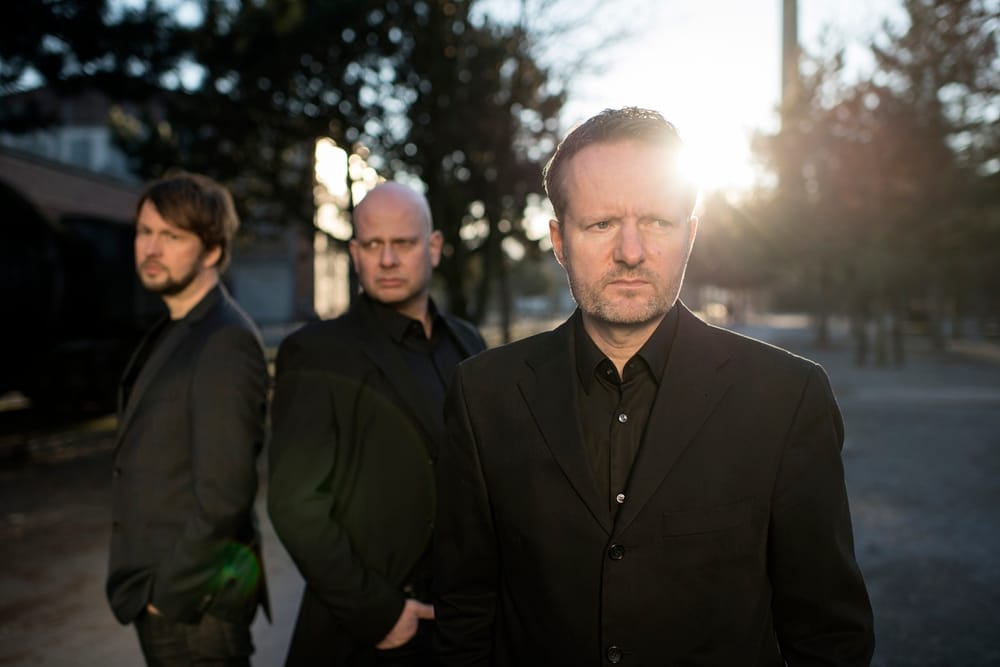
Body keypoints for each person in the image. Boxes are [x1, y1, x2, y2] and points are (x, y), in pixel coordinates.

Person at [433, 107, 875, 665]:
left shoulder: (788, 398)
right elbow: (464, 613)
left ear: (690, 235)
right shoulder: (483, 396)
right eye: (601, 224)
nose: (631, 252)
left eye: (657, 223)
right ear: (559, 240)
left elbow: (829, 636)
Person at [268, 182, 487, 666]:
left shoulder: (469, 344)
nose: (387, 260)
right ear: (355, 254)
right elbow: (295, 505)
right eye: (372, 244)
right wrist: (380, 614)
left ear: (433, 247)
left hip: (463, 630)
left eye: (403, 243)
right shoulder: (316, 352)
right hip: (371, 635)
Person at [106, 171, 270, 665]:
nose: (151, 248)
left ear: (213, 250)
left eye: (172, 236)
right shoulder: (176, 328)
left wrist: (169, 595)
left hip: (195, 607)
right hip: (169, 595)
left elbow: (225, 495)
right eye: (145, 232)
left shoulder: (225, 340)